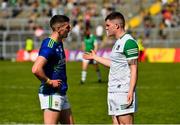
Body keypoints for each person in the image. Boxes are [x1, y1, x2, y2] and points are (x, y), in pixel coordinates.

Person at [83, 12, 139, 124]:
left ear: (116, 26)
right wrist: (95, 57)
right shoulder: (118, 42)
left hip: (123, 91)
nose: (106, 28)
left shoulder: (129, 43)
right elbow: (114, 64)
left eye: (108, 25)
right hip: (113, 90)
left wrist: (130, 91)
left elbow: (134, 69)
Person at [32, 15, 74, 124]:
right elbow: (36, 69)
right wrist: (49, 81)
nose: (70, 29)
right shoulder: (49, 45)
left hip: (61, 92)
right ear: (59, 29)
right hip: (51, 93)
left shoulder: (59, 43)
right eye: (67, 27)